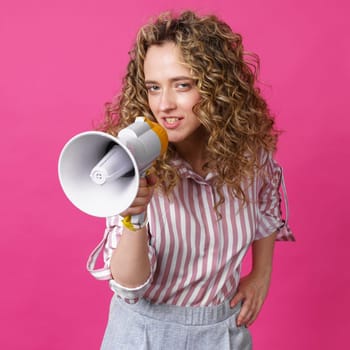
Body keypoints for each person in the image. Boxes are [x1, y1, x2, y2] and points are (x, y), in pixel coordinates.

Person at [87, 10, 294, 350]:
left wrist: (262, 273)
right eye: (154, 88)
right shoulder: (132, 161)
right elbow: (129, 285)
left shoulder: (250, 160)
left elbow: (267, 202)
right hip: (143, 334)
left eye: (182, 85)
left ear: (218, 87)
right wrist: (134, 217)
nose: (164, 105)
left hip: (222, 333)